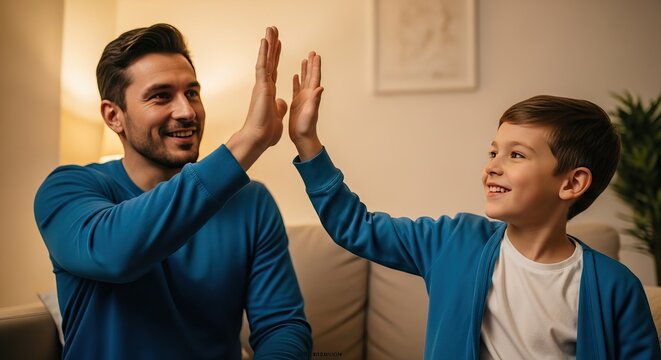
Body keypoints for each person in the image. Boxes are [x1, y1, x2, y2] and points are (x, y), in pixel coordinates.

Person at [287, 52, 661, 358]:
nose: (492, 167)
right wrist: (307, 141)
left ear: (572, 183)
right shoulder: (452, 240)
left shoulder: (616, 287)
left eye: (516, 155)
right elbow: (356, 227)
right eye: (493, 151)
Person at [34, 24, 311, 359]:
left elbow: (283, 327)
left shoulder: (252, 202)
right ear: (113, 116)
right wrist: (248, 141)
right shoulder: (66, 188)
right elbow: (113, 253)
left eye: (192, 93)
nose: (187, 111)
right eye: (161, 96)